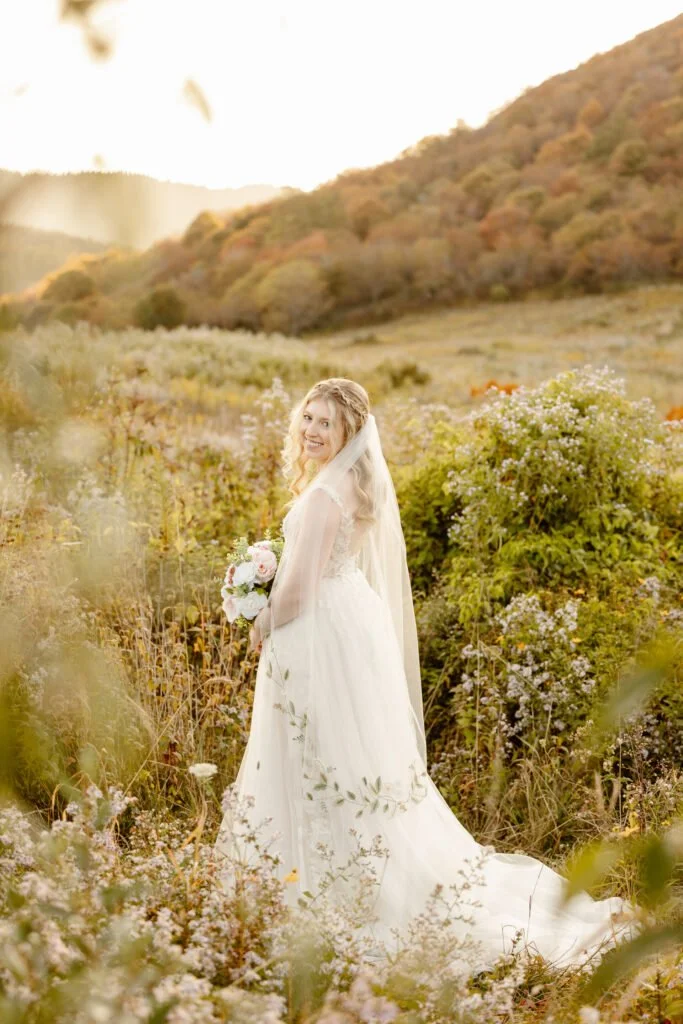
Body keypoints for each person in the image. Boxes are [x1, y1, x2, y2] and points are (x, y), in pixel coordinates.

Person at [215, 377, 636, 973]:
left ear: (348, 433)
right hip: (351, 630)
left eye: (325, 424)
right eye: (307, 418)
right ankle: (340, 868)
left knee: (314, 755)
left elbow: (303, 589)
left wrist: (260, 615)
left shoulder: (319, 498)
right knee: (350, 758)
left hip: (316, 637)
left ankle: (321, 886)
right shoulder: (359, 486)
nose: (310, 430)